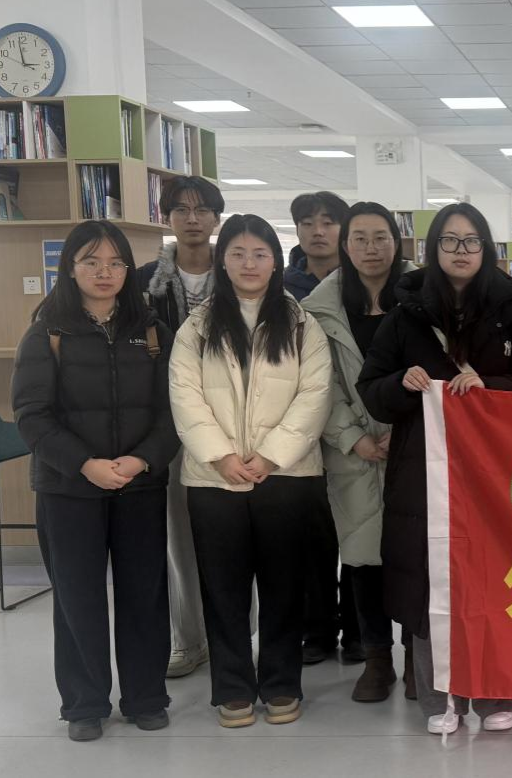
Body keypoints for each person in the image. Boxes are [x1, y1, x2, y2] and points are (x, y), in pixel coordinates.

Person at [356, 203, 512, 735]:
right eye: (449, 240)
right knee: (430, 581)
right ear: (432, 249)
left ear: (486, 248)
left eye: (471, 241)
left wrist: (492, 388)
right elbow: (371, 390)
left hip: (495, 468)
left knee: (496, 576)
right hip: (424, 468)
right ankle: (441, 698)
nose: (460, 251)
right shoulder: (406, 312)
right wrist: (402, 384)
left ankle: (494, 695)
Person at [12, 220, 179, 742]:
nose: (104, 273)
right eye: (91, 262)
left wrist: (142, 460)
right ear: (70, 268)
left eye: (115, 263)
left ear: (128, 269)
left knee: (144, 594)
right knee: (76, 597)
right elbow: (31, 414)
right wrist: (86, 464)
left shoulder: (152, 331)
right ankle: (84, 704)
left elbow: (173, 412)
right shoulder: (47, 332)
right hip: (68, 488)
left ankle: (146, 696)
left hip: (139, 484)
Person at [168, 214, 332, 729]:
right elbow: (185, 396)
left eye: (260, 254)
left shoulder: (302, 324)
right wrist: (220, 455)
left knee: (285, 586)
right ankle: (234, 688)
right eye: (237, 254)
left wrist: (271, 456)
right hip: (213, 479)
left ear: (275, 262)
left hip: (286, 476)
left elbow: (315, 395)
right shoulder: (196, 327)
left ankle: (281, 684)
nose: (249, 264)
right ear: (222, 262)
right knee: (223, 590)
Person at [303, 203, 415, 704]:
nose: (372, 248)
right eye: (360, 238)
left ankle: (417, 658)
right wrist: (354, 438)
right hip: (352, 451)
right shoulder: (318, 310)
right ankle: (376, 659)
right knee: (362, 558)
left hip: (414, 445)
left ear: (397, 242)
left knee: (416, 556)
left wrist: (405, 430)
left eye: (381, 237)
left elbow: (438, 365)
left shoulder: (422, 296)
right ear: (345, 245)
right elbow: (318, 385)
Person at [136, 175, 225, 680]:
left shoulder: (237, 271)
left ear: (216, 217)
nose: (192, 219)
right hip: (169, 422)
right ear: (166, 217)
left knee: (231, 533)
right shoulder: (144, 282)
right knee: (177, 538)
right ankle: (187, 639)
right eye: (181, 209)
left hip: (232, 423)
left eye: (202, 209)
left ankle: (231, 634)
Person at [284, 189, 359, 663]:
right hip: (301, 427)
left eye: (328, 222)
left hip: (353, 420)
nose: (318, 231)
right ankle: (316, 629)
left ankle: (357, 629)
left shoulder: (362, 281)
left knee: (357, 528)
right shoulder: (283, 287)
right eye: (308, 222)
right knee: (311, 534)